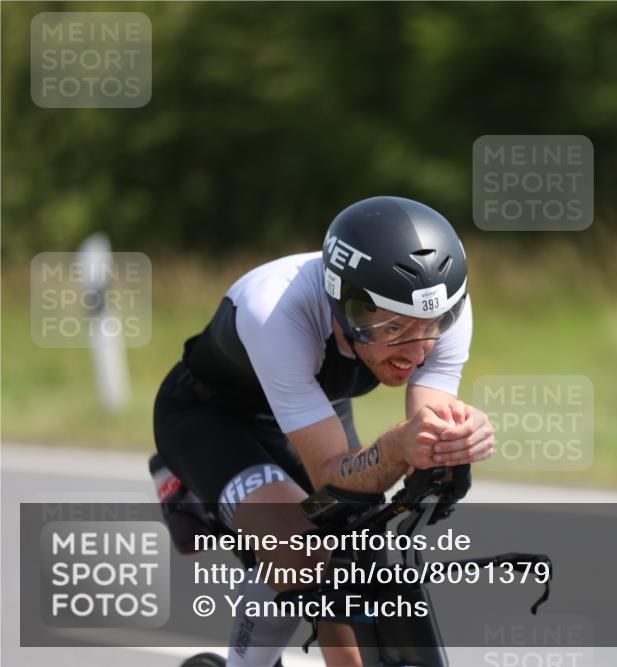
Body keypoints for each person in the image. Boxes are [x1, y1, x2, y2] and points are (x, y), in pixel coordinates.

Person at [153, 196, 495, 667]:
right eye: (393, 329)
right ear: (345, 306)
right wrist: (398, 445)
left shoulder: (441, 302)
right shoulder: (276, 311)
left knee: (361, 558)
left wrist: (456, 438)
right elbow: (335, 474)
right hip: (211, 420)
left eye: (432, 328)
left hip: (318, 409)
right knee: (302, 548)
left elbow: (429, 423)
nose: (416, 353)